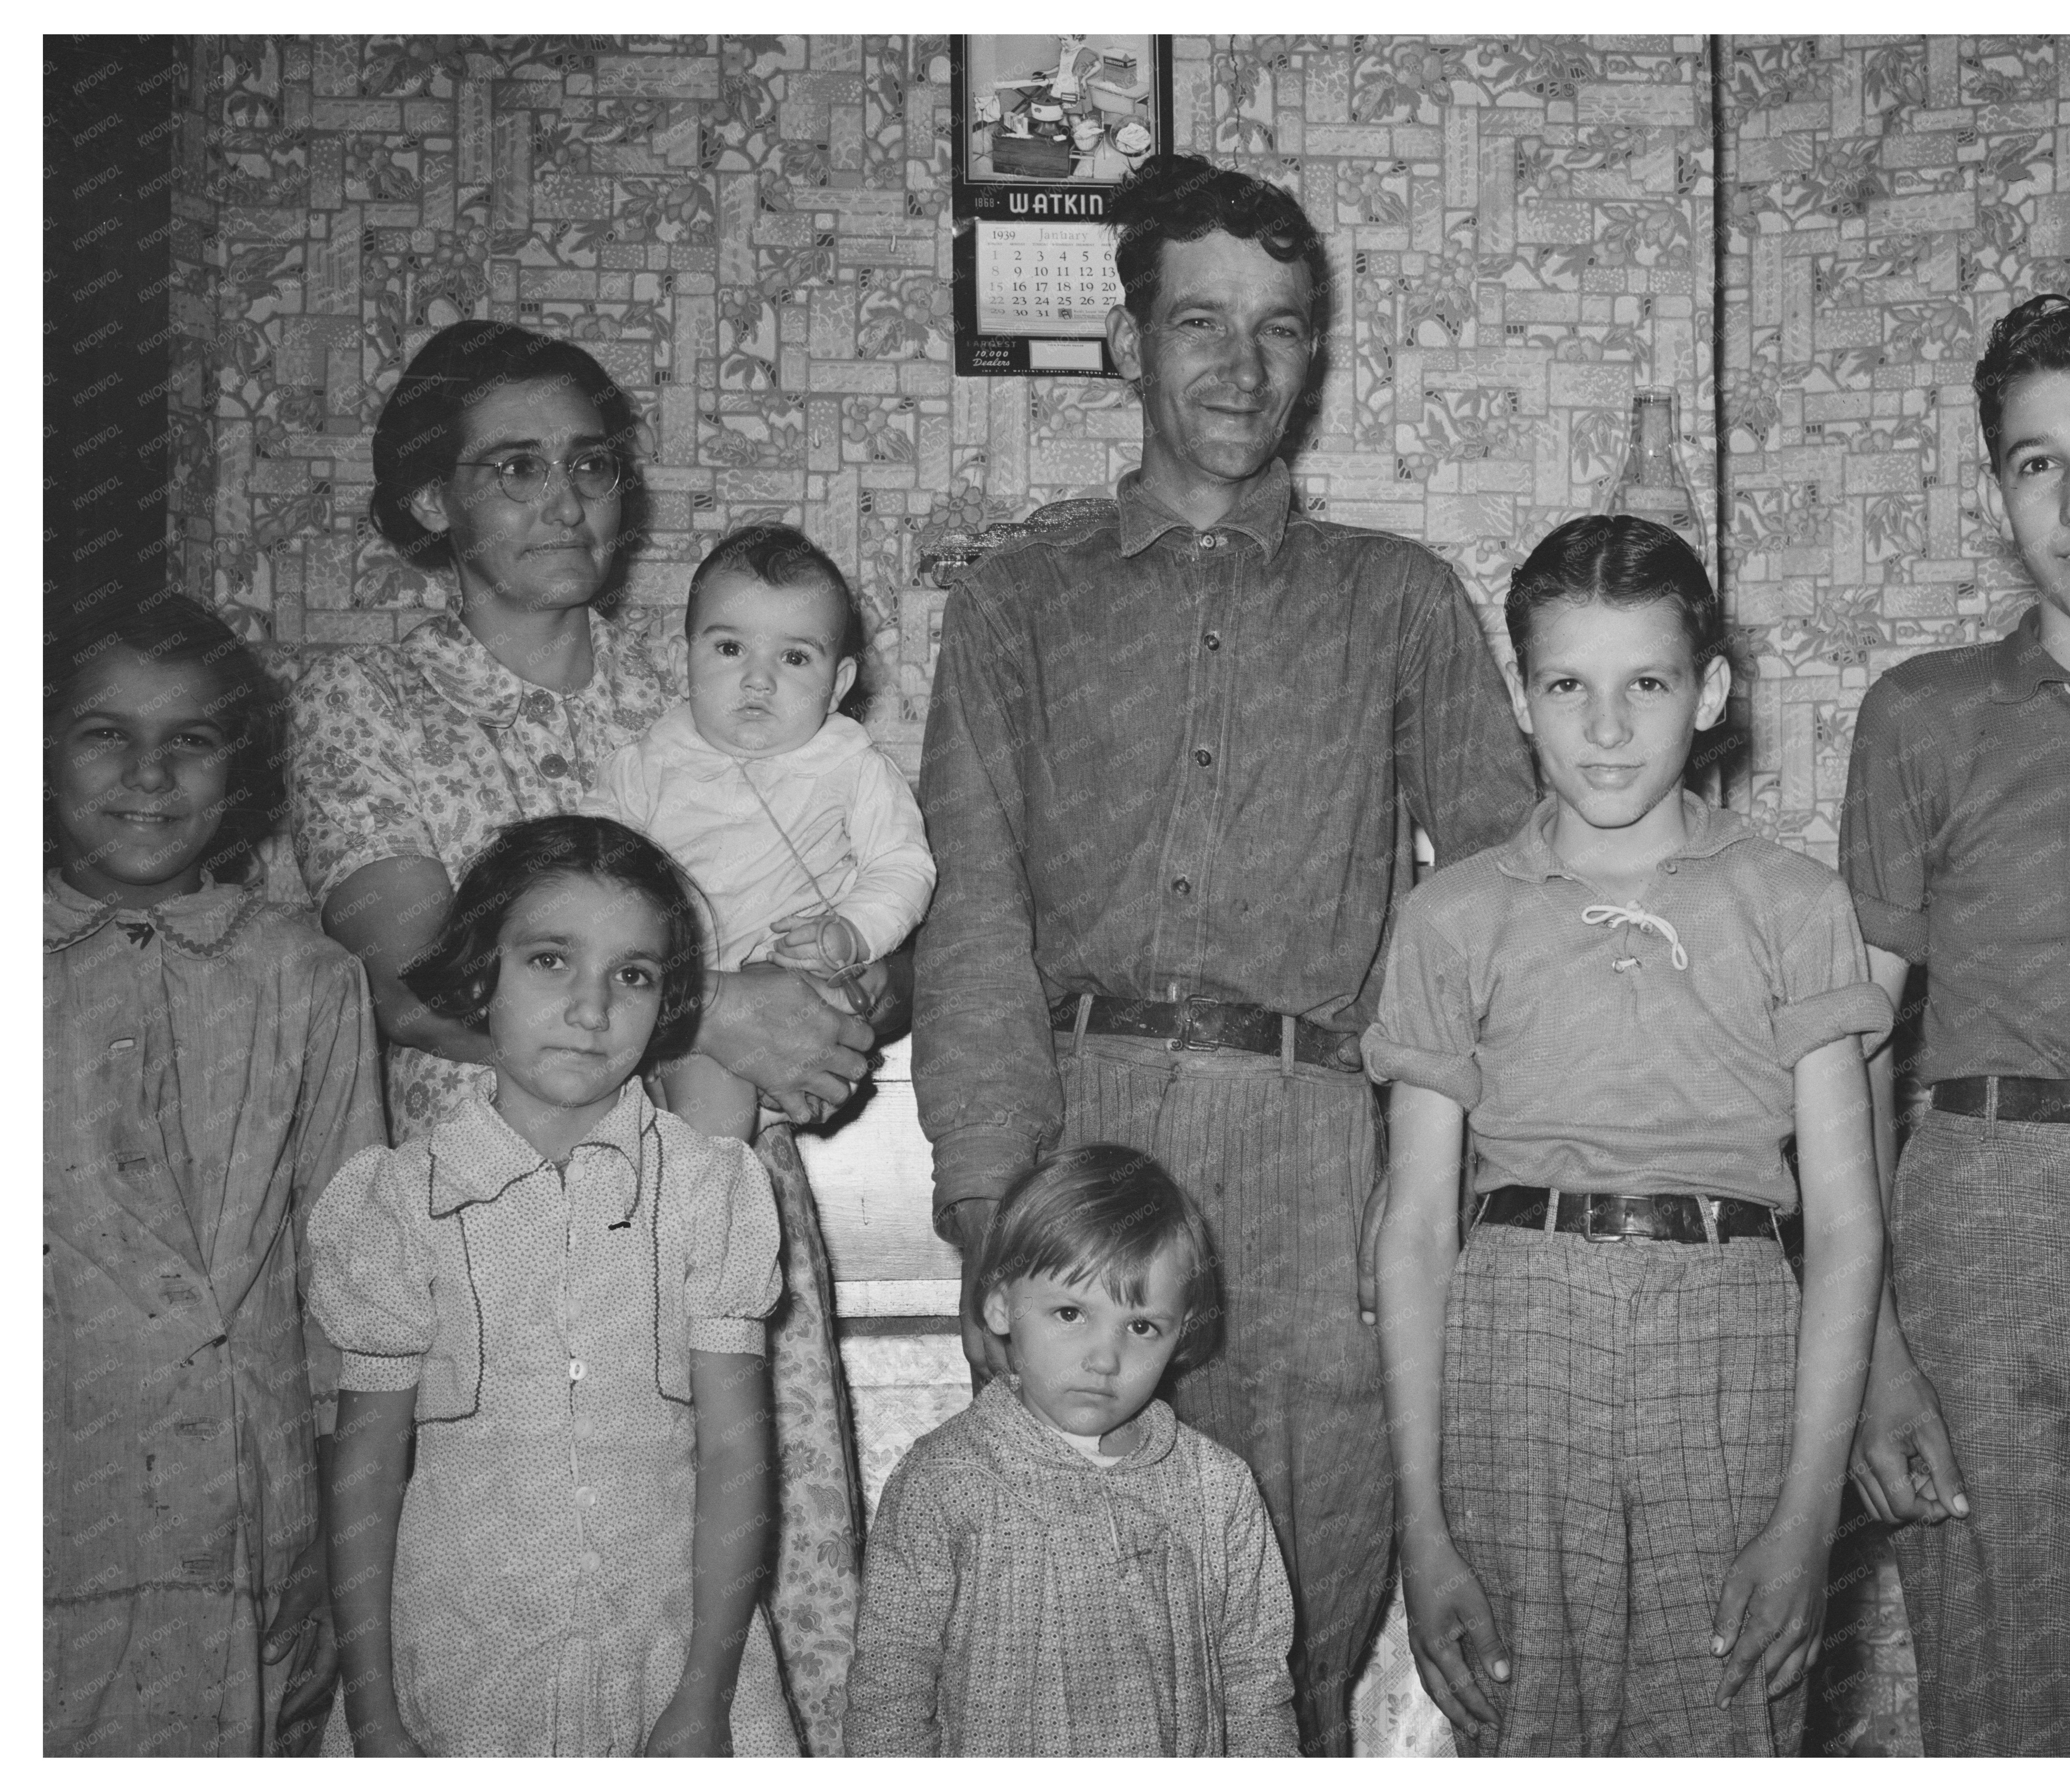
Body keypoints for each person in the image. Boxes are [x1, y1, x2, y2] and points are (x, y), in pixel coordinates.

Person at [912, 152, 1537, 1754]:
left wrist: (1445, 1190)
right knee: (1058, 1651)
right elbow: (971, 903)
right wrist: (995, 1206)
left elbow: (1498, 909)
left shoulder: (1398, 601)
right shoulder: (1013, 596)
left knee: (1285, 1663)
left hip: (1316, 1160)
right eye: (1198, 321)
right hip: (1079, 1137)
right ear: (1126, 342)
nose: (1238, 366)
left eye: (1278, 329)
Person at [285, 321, 875, 1750]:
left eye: (592, 464)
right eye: (516, 466)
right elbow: (414, 973)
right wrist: (715, 1001)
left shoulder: (690, 683)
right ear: (435, 501)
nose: (565, 498)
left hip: (705, 1207)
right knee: (516, 1601)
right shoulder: (370, 705)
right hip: (483, 1228)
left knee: (746, 1593)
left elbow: (841, 918)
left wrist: (834, 984)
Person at [1368, 515, 1890, 1755]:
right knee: (1523, 1721)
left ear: (1707, 692)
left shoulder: (1794, 904)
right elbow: (1412, 1233)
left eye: (1644, 685)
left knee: (1722, 1717)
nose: (1605, 730)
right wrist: (1421, 1526)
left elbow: (1849, 1226)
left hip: (1730, 1334)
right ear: (1523, 699)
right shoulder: (1449, 919)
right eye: (1567, 687)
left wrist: (1807, 1519)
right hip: (1512, 1336)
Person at [1839, 295, 2070, 1755]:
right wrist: (1872, 1354)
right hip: (1985, 1226)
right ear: (1998, 494)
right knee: (2011, 1696)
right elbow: (1850, 1053)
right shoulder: (1924, 715)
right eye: (2039, 464)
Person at [311, 815, 797, 1756]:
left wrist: (703, 1697)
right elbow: (364, 1477)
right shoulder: (399, 1206)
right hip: (456, 1673)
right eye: (548, 960)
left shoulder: (706, 1193)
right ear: (480, 971)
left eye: (633, 974)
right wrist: (373, 1709)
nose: (591, 1008)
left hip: (667, 1670)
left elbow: (737, 1466)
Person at [44, 600, 384, 1755]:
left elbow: (355, 1299)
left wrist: (352, 1572)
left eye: (191, 739)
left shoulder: (308, 979)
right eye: (103, 734)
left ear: (240, 768)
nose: (148, 773)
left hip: (249, 1520)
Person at [845, 1145, 1296, 1756]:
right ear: (1000, 1306)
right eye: (1069, 1313)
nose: (1105, 1359)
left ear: (1182, 1331)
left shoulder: (1217, 1487)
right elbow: (890, 1692)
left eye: (1141, 1327)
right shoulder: (944, 1481)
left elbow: (1255, 1686)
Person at [585, 523, 933, 1142]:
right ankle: (690, 1211)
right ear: (679, 658)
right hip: (680, 1002)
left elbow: (903, 865)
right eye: (729, 649)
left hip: (801, 987)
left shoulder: (851, 765)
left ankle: (707, 1203)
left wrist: (854, 930)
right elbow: (588, 888)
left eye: (795, 658)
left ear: (840, 685)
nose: (758, 679)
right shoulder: (642, 765)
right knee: (664, 1117)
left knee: (710, 1106)